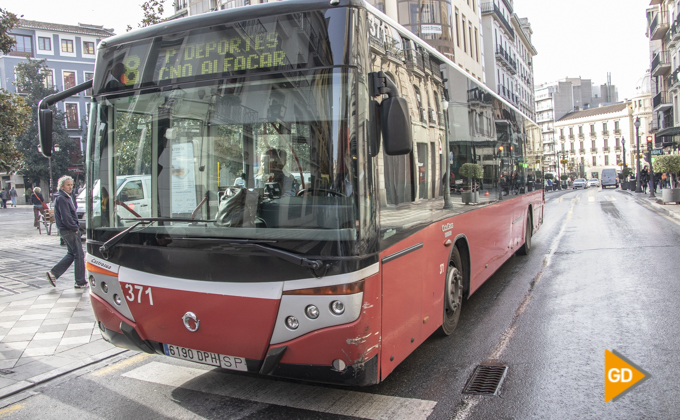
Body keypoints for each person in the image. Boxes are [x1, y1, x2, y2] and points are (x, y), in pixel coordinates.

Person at [46, 176, 87, 289]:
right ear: (62, 186)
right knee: (79, 255)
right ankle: (80, 281)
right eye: (68, 185)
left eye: (71, 185)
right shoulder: (62, 198)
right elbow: (66, 216)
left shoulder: (67, 197)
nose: (70, 187)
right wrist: (74, 228)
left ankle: (54, 273)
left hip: (68, 229)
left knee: (71, 254)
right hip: (69, 230)